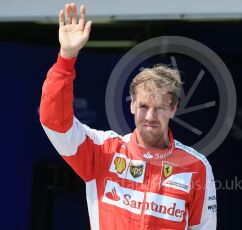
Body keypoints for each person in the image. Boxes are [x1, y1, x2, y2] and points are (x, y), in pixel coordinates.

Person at [39, 3, 217, 229]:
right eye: (143, 106)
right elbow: (55, 122)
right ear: (131, 105)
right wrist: (66, 58)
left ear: (174, 109)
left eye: (160, 108)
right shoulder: (102, 150)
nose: (150, 116)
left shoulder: (197, 166)